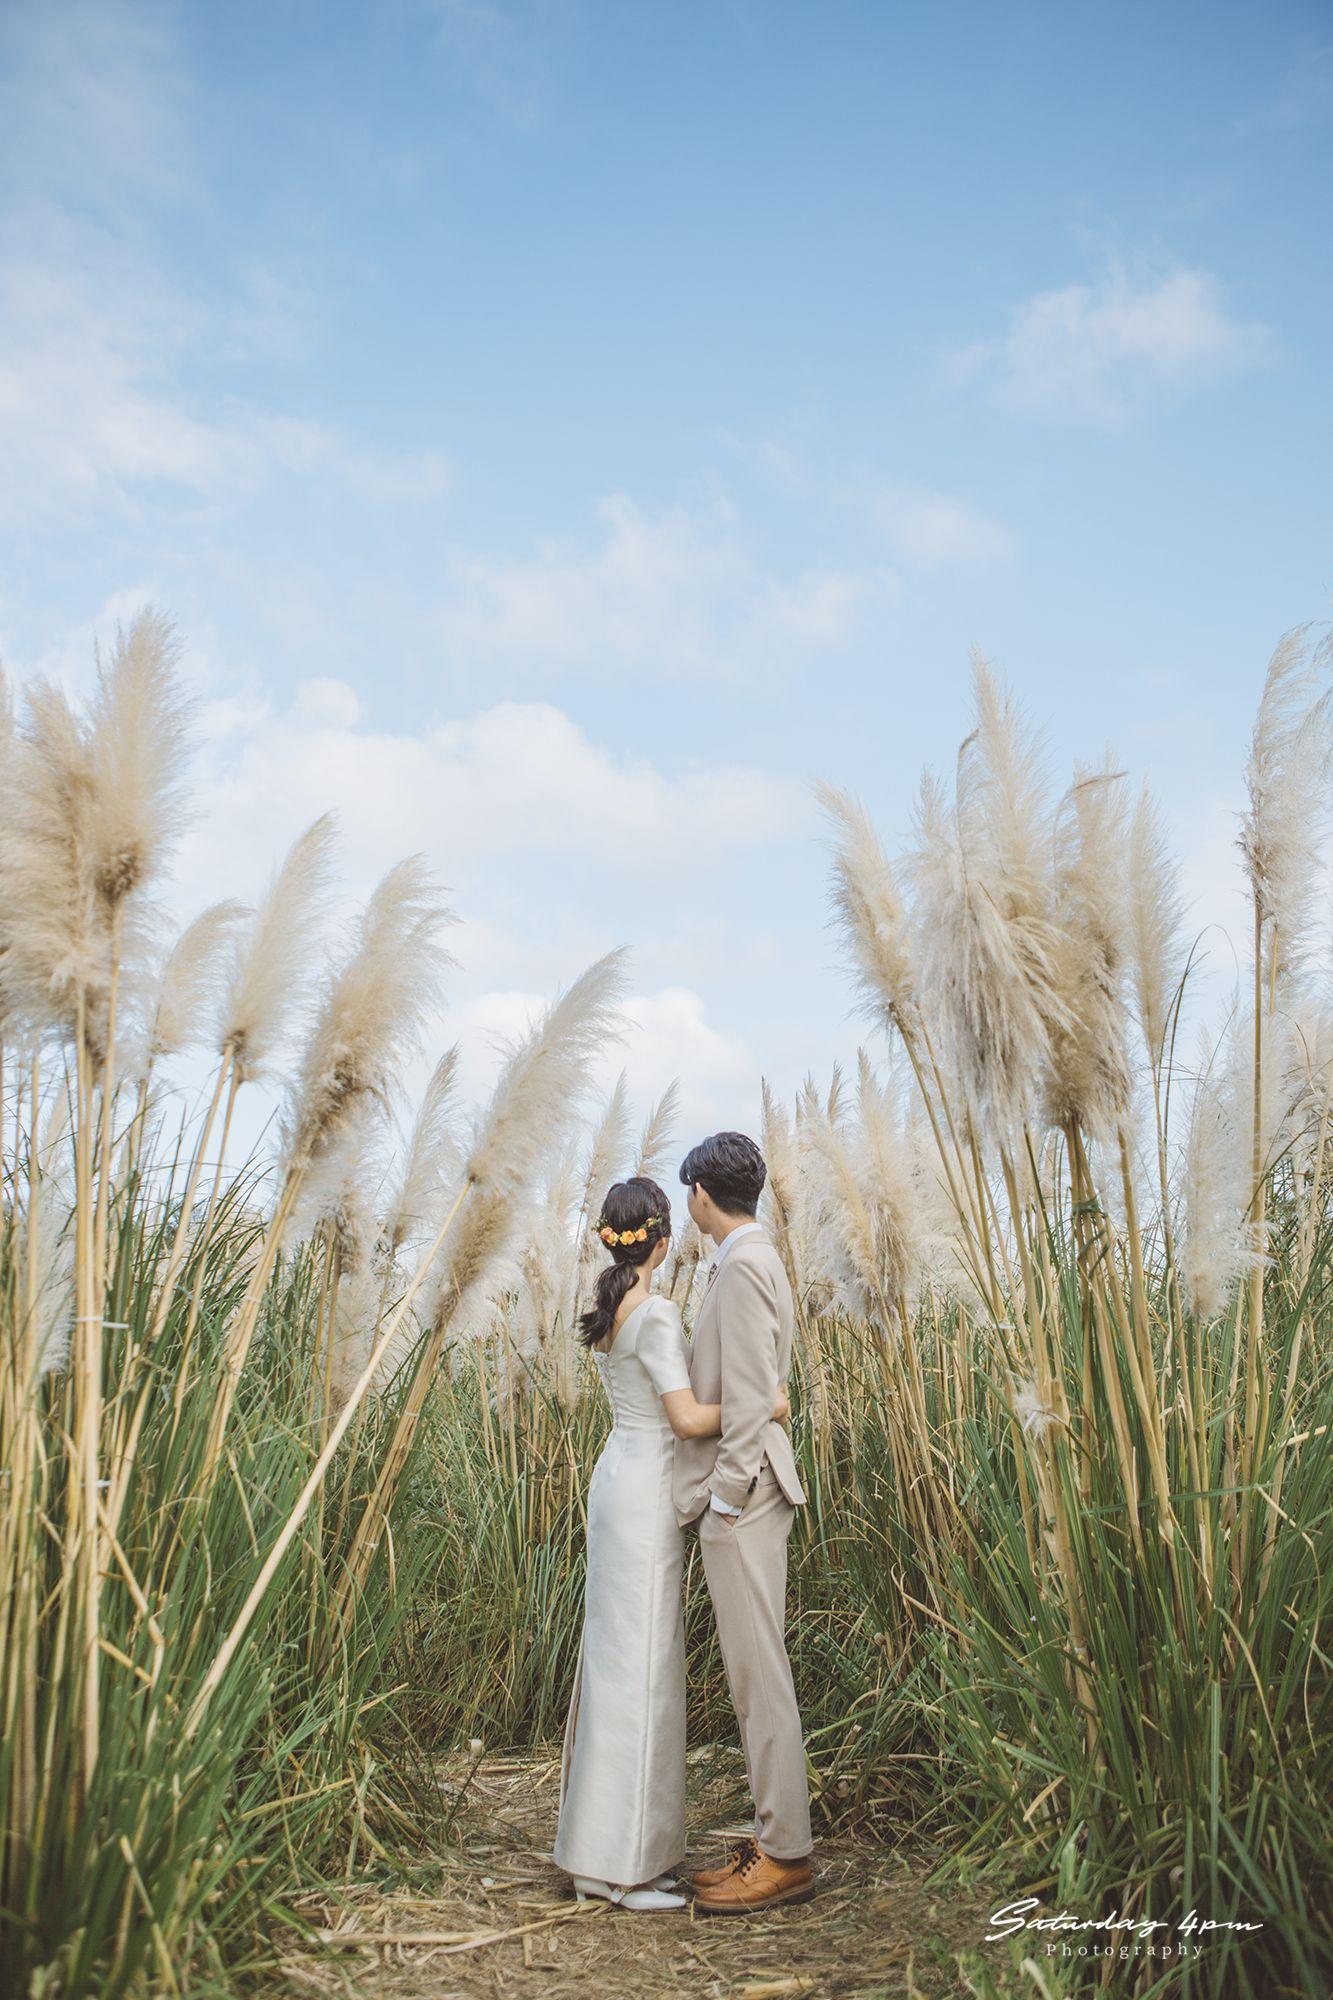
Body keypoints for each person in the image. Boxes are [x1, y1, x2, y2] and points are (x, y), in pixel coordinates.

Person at [551, 1174, 790, 1911]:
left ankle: (606, 1856)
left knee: (617, 1657)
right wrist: (766, 1402)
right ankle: (618, 1869)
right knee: (641, 1668)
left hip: (618, 1477)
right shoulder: (653, 1313)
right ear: (660, 1236)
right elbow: (687, 1420)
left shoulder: (614, 1306)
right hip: (647, 1488)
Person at [673, 1131, 814, 1915]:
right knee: (749, 1673)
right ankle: (771, 1840)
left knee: (759, 1678)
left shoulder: (746, 1266)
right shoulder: (750, 1259)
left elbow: (756, 1396)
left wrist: (724, 1499)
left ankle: (786, 1856)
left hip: (747, 1490)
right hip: (751, 1484)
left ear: (699, 1194)